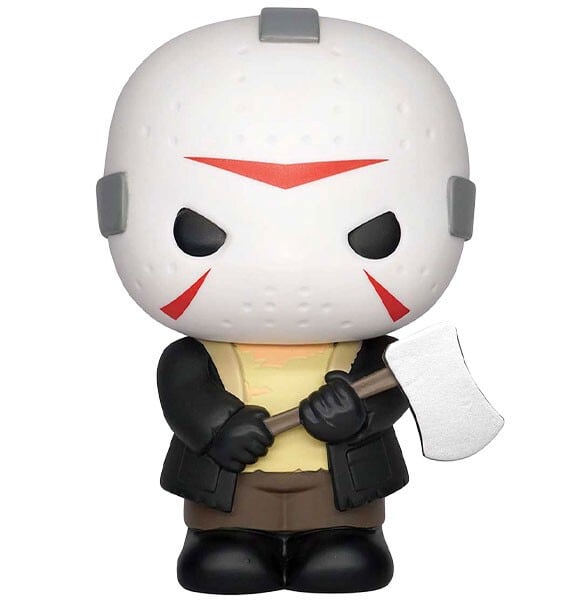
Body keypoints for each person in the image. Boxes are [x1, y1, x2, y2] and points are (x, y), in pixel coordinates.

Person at [97, 7, 475, 593]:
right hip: (231, 490)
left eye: (372, 235)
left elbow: (390, 392)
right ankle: (224, 539)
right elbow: (185, 393)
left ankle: (344, 538)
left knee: (342, 550)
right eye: (200, 233)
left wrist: (359, 414)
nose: (285, 267)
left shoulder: (379, 355)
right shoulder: (195, 355)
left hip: (338, 490)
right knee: (226, 553)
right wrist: (218, 428)